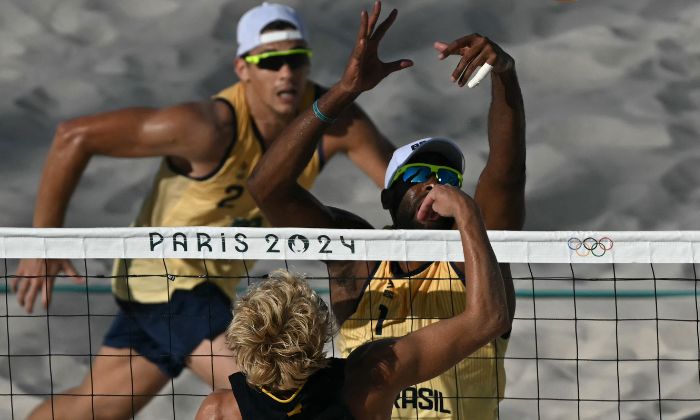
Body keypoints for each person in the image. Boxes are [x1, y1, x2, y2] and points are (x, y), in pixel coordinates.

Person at [10, 3, 396, 419]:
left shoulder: (335, 121)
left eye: (295, 58)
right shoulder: (207, 127)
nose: (286, 72)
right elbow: (73, 136)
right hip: (168, 281)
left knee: (91, 409)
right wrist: (43, 241)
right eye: (271, 61)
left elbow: (402, 185)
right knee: (275, 394)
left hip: (202, 291)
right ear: (242, 68)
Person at [248, 1, 525, 418]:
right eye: (416, 176)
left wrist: (504, 74)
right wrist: (344, 92)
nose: (433, 183)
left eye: (446, 177)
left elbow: (506, 174)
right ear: (387, 197)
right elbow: (267, 188)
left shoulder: (477, 258)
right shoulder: (357, 259)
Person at [195, 191, 510, 420]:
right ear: (318, 331)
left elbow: (266, 186)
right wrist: (467, 212)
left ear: (241, 343)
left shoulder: (220, 412)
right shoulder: (368, 378)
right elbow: (489, 318)